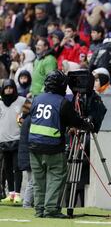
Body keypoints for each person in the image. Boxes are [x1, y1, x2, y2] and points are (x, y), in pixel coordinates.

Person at [28, 70, 93, 218]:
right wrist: (88, 125)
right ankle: (51, 210)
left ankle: (39, 210)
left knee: (39, 180)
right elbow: (75, 121)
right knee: (56, 177)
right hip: (53, 147)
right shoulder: (62, 102)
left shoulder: (37, 99)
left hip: (33, 145)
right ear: (62, 85)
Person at [0, 79, 26, 205]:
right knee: (7, 168)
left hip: (17, 139)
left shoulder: (21, 100)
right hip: (3, 140)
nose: (9, 90)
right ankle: (10, 194)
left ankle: (18, 194)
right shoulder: (0, 103)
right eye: (6, 88)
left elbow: (31, 110)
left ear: (14, 88)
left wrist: (23, 119)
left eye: (11, 87)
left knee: (17, 167)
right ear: (3, 90)